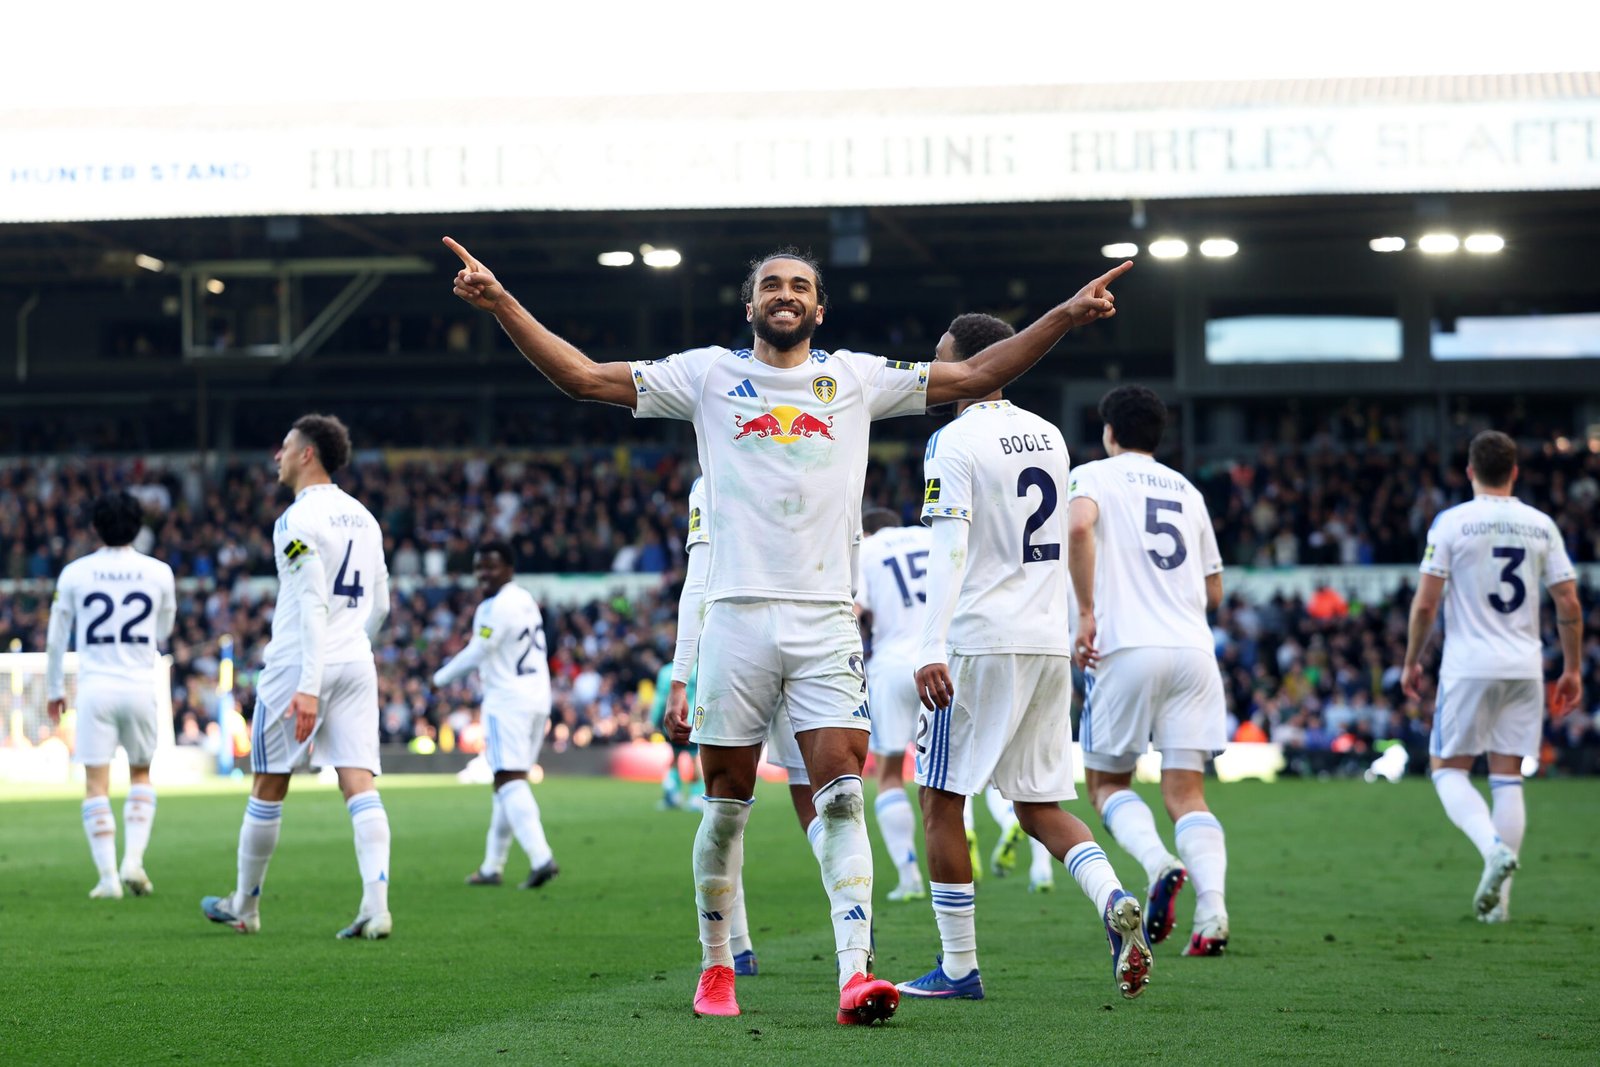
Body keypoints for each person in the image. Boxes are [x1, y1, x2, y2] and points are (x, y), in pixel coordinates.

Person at [446, 235, 1129, 1024]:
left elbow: (977, 374)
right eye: (772, 284)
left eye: (800, 285)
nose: (786, 293)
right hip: (736, 617)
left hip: (826, 621)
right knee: (726, 805)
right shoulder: (707, 374)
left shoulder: (858, 378)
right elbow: (583, 376)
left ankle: (855, 973)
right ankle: (715, 967)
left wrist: (1065, 315)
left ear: (819, 308)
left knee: (842, 799)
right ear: (750, 304)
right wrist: (502, 303)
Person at [903, 314, 1151, 1002]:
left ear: (974, 362)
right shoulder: (1048, 435)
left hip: (979, 640)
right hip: (1043, 640)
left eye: (943, 356)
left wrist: (929, 643)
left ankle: (959, 967)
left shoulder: (953, 440)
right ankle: (1112, 897)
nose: (938, 368)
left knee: (940, 798)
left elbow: (950, 545)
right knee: (1039, 804)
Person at [201, 414, 393, 939]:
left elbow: (310, 601)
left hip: (298, 666)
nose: (277, 456)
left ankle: (244, 906)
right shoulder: (366, 519)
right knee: (359, 783)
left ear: (307, 454)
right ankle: (376, 907)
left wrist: (309, 684)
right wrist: (353, 646)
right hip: (355, 662)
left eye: (285, 446)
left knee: (269, 782)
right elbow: (381, 605)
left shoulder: (295, 520)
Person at [1067, 385, 1232, 958]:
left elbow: (1079, 528)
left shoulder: (1093, 475)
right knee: (1187, 793)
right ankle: (1212, 915)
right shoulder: (1188, 490)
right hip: (1193, 651)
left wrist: (1086, 613)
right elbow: (1215, 589)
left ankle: (1160, 863)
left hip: (1126, 646)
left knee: (1107, 784)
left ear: (1109, 432)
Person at [1402, 429, 1583, 922]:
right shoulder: (1541, 525)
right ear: (1514, 472)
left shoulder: (1452, 522)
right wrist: (1571, 669)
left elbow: (1426, 604)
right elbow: (1568, 601)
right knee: (1507, 778)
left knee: (1448, 769)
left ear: (1470, 471)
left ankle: (1492, 850)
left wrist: (1412, 660)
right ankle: (1498, 907)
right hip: (1525, 667)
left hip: (1469, 666)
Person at [665, 477, 832, 978]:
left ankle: (737, 949)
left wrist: (680, 677)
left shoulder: (713, 479)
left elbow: (697, 583)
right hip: (812, 642)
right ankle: (853, 913)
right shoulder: (812, 462)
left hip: (739, 648)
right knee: (823, 803)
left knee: (727, 806)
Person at [45, 490, 176, 899]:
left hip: (96, 687)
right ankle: (133, 860)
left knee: (96, 784)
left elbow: (55, 639)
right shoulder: (159, 572)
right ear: (139, 526)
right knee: (141, 774)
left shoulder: (75, 573)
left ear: (95, 527)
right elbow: (164, 630)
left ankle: (107, 879)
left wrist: (54, 690)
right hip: (140, 684)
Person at [433, 540, 559, 889]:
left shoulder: (494, 606)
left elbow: (479, 650)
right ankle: (492, 866)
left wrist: (439, 679)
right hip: (537, 698)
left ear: (509, 569)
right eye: (479, 567)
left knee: (509, 779)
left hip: (507, 701)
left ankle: (541, 858)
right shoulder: (525, 599)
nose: (483, 574)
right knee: (507, 781)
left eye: (491, 566)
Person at [854, 507, 932, 902]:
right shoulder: (930, 537)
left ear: (868, 531)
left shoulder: (866, 550)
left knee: (887, 773)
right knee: (945, 775)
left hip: (891, 664)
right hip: (940, 661)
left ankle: (909, 875)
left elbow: (855, 611)